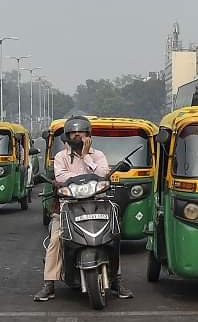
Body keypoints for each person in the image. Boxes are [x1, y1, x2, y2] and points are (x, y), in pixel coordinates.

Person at [33, 116, 133, 301]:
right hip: (68, 205)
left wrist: (87, 157)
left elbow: (102, 174)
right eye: (73, 133)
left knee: (113, 234)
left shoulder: (98, 155)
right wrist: (86, 176)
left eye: (81, 132)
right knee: (56, 238)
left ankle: (117, 280)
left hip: (98, 203)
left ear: (89, 135)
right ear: (67, 135)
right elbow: (61, 177)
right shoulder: (61, 157)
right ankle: (49, 284)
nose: (77, 136)